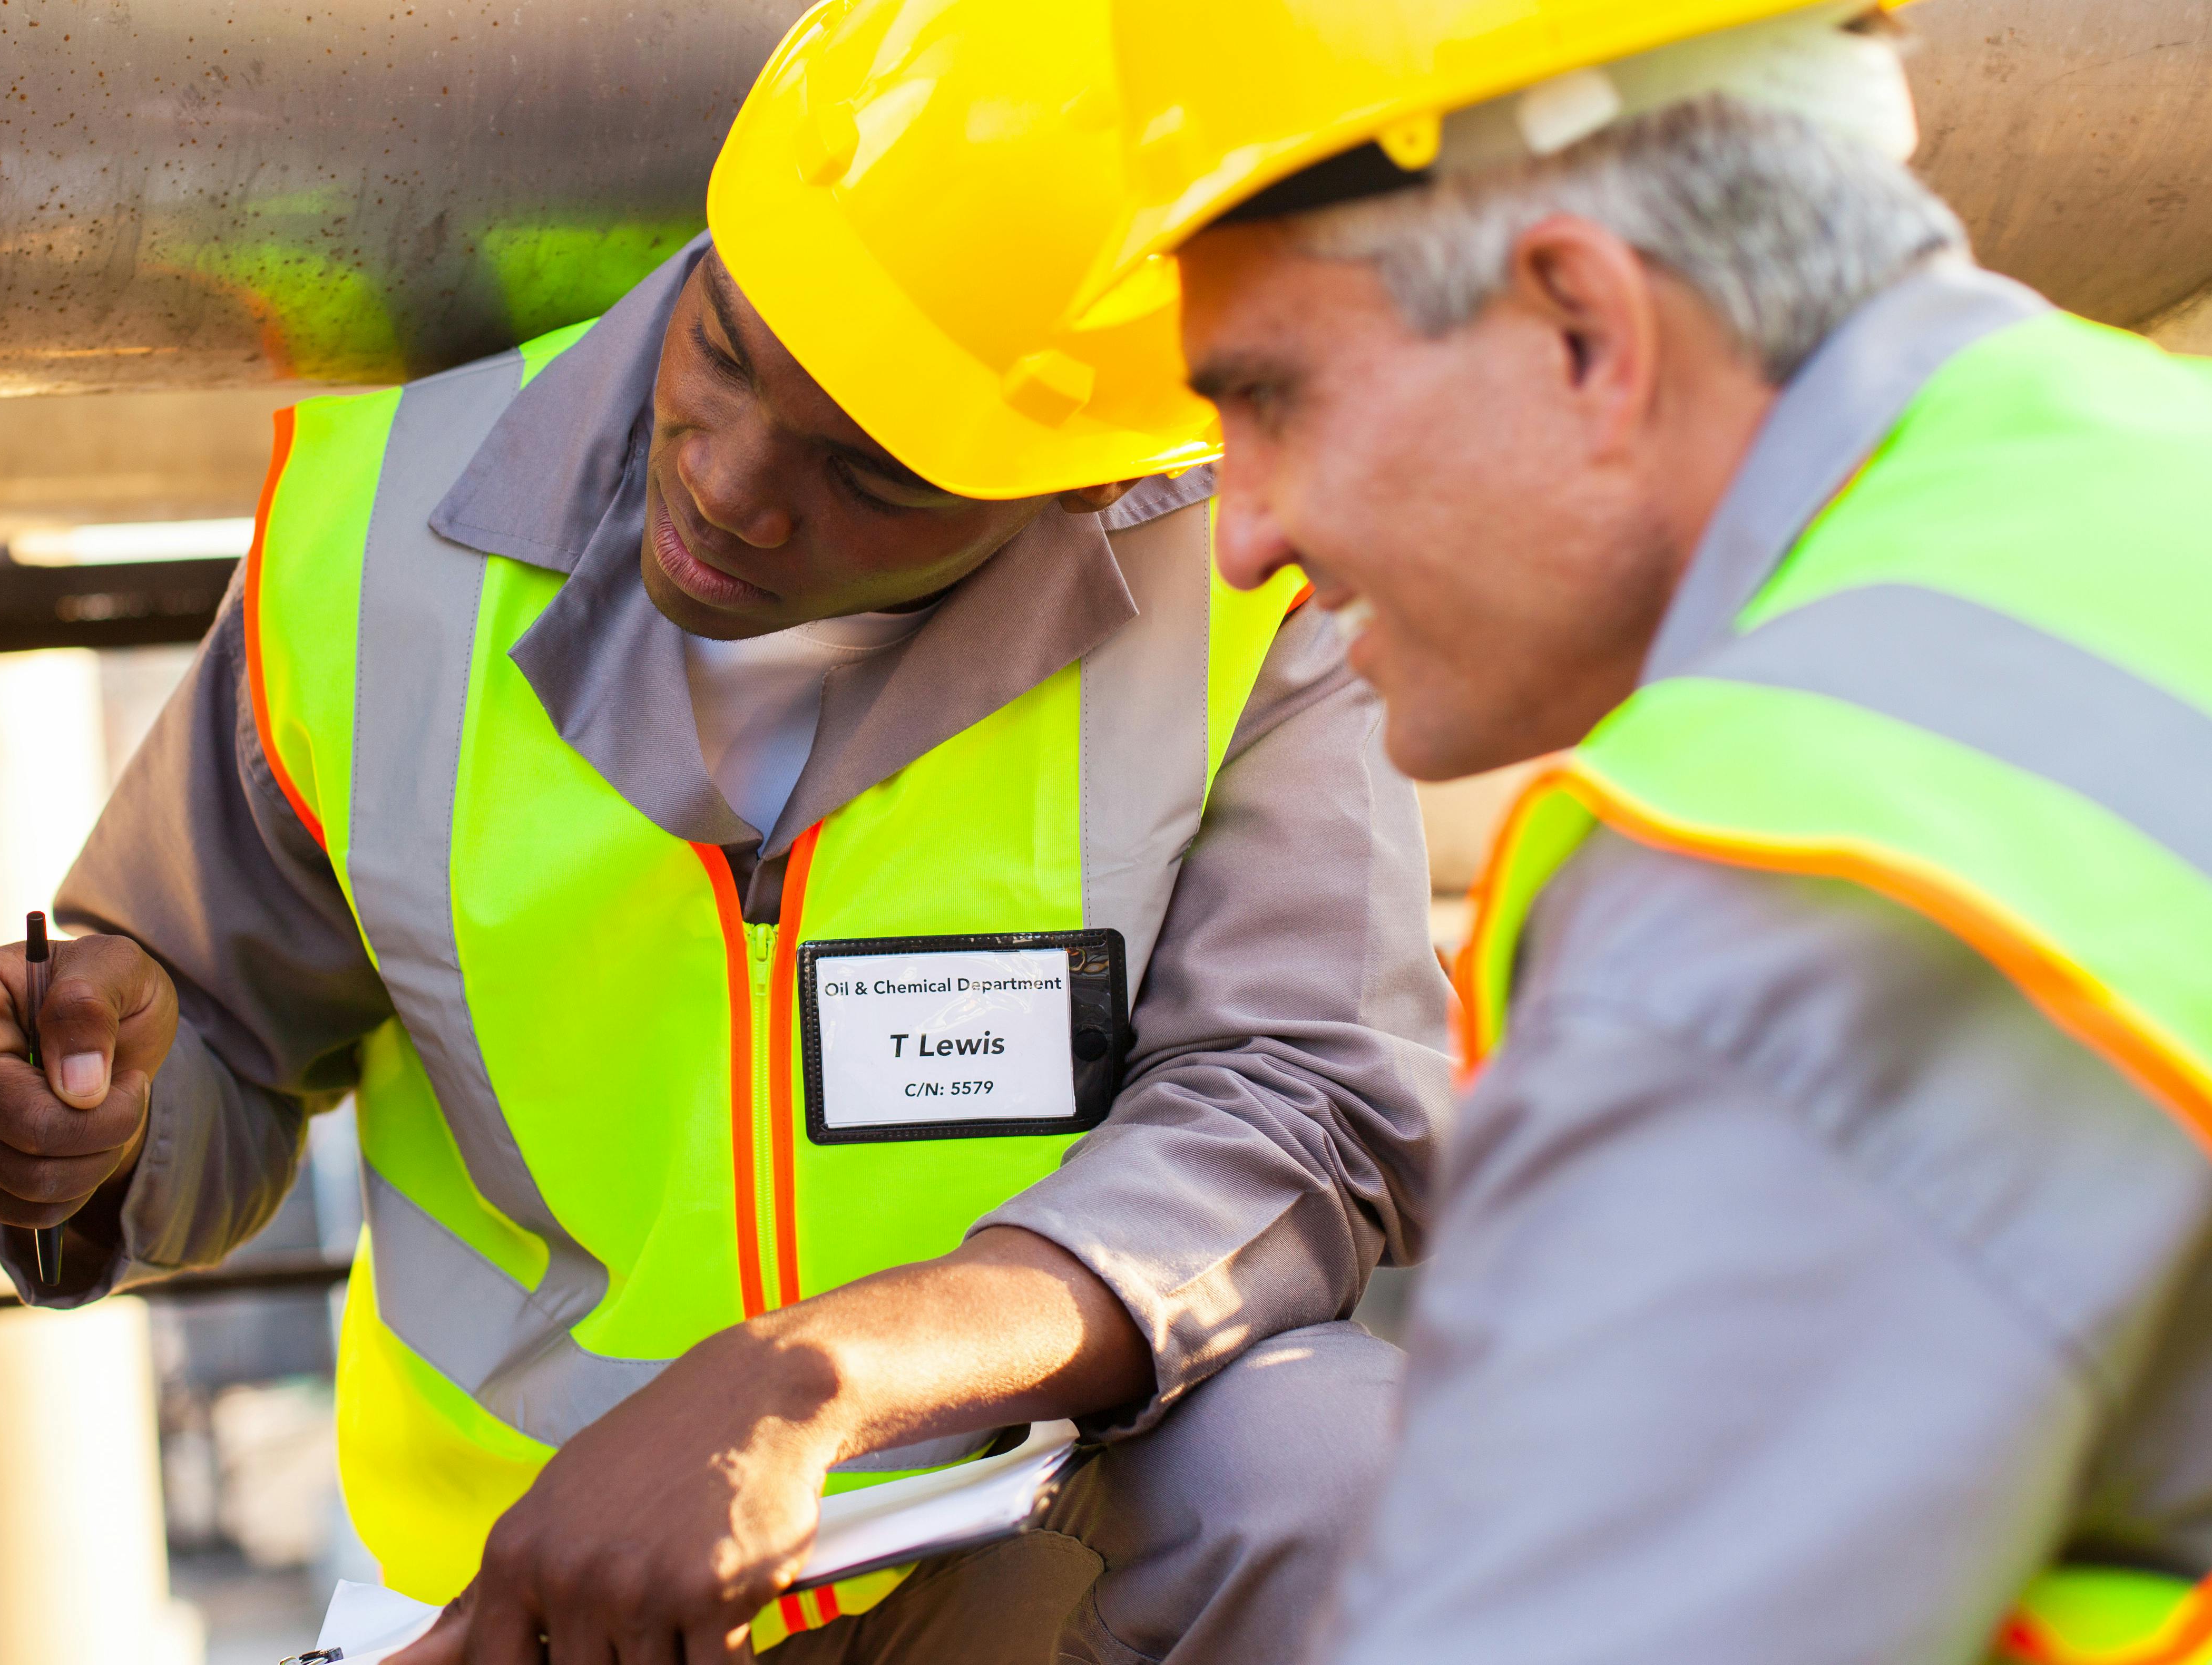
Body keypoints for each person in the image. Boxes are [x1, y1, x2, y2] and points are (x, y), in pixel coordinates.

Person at [0, 15, 1452, 1662]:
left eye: (870, 470)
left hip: (1012, 1539)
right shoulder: (383, 527)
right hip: (536, 1598)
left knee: (1343, 1475)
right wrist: (98, 1120)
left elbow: (1304, 1101)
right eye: (723, 343)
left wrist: (823, 1376)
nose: (728, 485)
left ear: (1078, 492)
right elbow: (209, 1036)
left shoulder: (1248, 582)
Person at [802, 0, 2209, 1658]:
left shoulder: (1790, 885)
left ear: (1585, 331)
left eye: (1272, 398)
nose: (1242, 536)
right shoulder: (2140, 478)